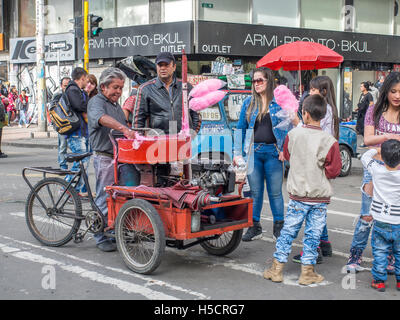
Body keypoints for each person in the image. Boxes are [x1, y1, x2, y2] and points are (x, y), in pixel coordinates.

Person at [263, 94, 342, 285]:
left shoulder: (292, 135)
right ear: (323, 116)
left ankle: (277, 268)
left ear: (304, 114)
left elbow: (288, 155)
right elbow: (334, 170)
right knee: (313, 235)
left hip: (297, 195)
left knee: (288, 231)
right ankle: (307, 272)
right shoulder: (330, 141)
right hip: (319, 197)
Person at [346, 72, 400, 273]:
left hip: (398, 174)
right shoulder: (373, 110)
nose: (397, 96)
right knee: (367, 215)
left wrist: (382, 141)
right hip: (376, 170)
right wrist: (390, 136)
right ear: (386, 90)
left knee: (396, 218)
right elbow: (367, 140)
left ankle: (392, 258)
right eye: (393, 91)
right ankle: (355, 255)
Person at [233, 67, 290, 242]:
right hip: (253, 153)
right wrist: (237, 152)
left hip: (274, 152)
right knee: (255, 192)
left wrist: (285, 150)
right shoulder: (249, 103)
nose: (256, 84)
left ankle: (278, 227)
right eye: (254, 81)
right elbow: (240, 127)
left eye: (260, 80)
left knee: (275, 193)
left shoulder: (279, 102)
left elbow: (290, 127)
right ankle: (254, 227)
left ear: (269, 81)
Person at [88, 67, 140, 252]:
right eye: (115, 87)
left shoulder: (117, 105)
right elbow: (101, 119)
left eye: (121, 88)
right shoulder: (96, 102)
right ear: (103, 86)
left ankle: (116, 230)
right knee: (104, 197)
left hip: (121, 157)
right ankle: (99, 236)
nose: (118, 91)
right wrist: (124, 129)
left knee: (124, 196)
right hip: (105, 157)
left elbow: (124, 126)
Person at [292, 75, 339, 264]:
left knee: (311, 209)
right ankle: (324, 242)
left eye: (313, 90)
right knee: (318, 207)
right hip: (322, 163)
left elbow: (316, 135)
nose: (309, 93)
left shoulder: (323, 110)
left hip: (315, 163)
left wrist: (299, 123)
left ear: (324, 92)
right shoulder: (331, 108)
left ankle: (314, 250)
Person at [361, 141, 400, 292]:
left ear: (382, 157)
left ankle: (379, 281)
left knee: (380, 251)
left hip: (380, 221)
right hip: (398, 221)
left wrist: (376, 149)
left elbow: (365, 157)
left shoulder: (376, 170)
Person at [134, 52, 201, 135]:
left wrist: (192, 133)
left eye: (166, 65)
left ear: (174, 67)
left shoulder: (186, 87)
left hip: (183, 140)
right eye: (160, 65)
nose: (163, 68)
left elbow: (196, 114)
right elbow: (138, 121)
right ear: (156, 67)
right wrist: (139, 140)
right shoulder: (146, 89)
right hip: (157, 140)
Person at [64, 68, 90, 196]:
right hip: (76, 133)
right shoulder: (72, 89)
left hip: (81, 132)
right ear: (82, 78)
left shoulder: (77, 90)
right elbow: (80, 106)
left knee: (83, 163)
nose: (87, 82)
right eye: (86, 79)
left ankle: (75, 191)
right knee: (81, 163)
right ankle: (67, 188)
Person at [51, 77, 71, 170]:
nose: (66, 88)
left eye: (68, 86)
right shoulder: (58, 96)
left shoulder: (73, 95)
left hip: (73, 125)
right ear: (61, 86)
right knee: (62, 146)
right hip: (62, 126)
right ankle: (63, 165)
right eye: (65, 86)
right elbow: (53, 111)